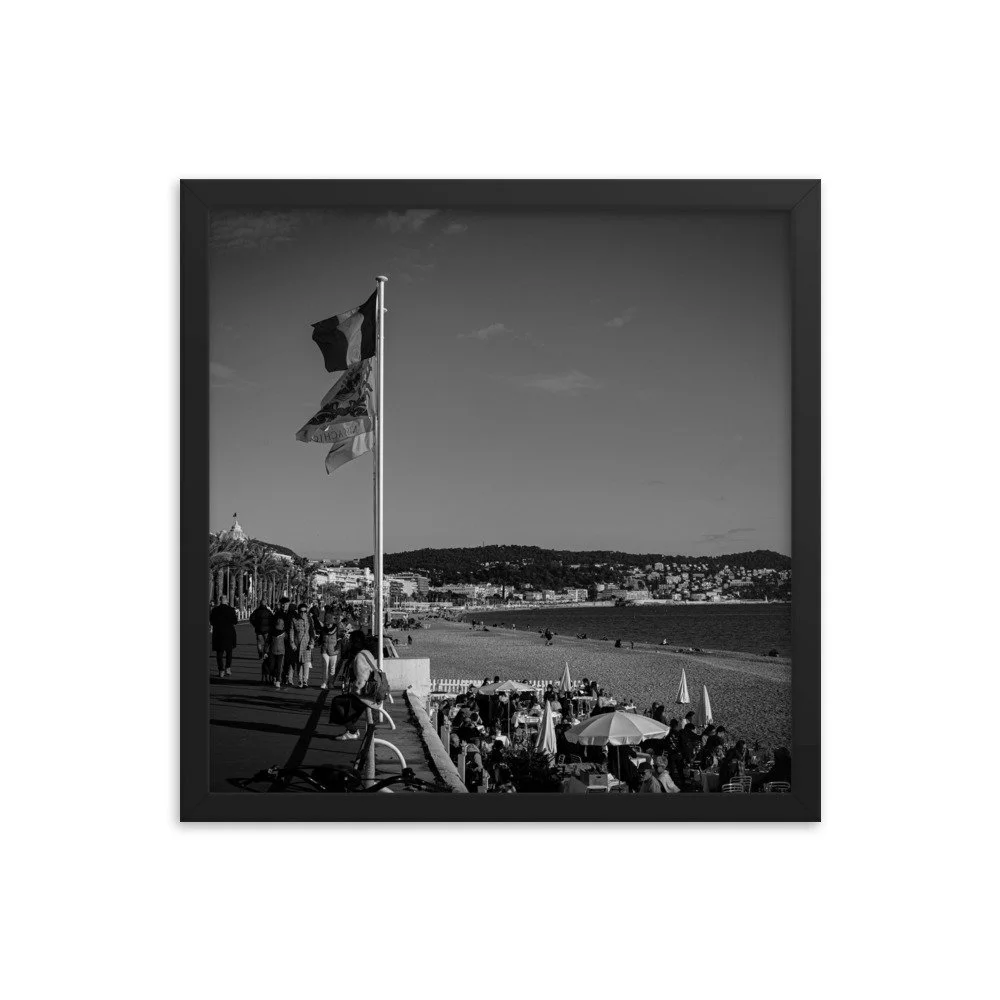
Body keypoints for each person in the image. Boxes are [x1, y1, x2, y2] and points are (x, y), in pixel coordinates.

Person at [328, 630, 378, 741]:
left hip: (365, 694)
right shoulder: (367, 652)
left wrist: (355, 691)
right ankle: (351, 730)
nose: (349, 642)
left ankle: (352, 730)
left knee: (337, 702)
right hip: (371, 693)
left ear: (354, 642)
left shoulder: (359, 656)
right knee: (348, 706)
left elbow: (362, 678)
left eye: (350, 640)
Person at [209, 596, 238, 678]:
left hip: (218, 633)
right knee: (229, 652)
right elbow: (235, 621)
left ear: (220, 600)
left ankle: (221, 670)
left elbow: (211, 621)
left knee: (219, 653)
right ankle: (228, 668)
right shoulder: (231, 610)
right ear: (227, 601)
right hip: (229, 633)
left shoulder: (215, 610)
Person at [287, 603, 315, 688]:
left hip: (307, 643)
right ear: (298, 611)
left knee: (306, 663)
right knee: (299, 663)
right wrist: (292, 644)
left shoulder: (309, 619)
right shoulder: (294, 620)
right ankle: (300, 681)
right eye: (301, 611)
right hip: (297, 644)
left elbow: (312, 632)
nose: (303, 613)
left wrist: (312, 643)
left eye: (305, 611)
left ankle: (305, 680)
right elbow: (291, 632)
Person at [317, 604, 340, 690]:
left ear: (332, 623)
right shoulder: (323, 629)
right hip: (325, 650)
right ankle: (324, 682)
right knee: (325, 667)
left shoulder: (337, 629)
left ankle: (331, 683)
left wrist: (338, 647)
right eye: (326, 624)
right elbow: (320, 639)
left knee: (332, 668)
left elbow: (339, 639)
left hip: (334, 650)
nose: (328, 625)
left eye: (329, 624)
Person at [267, 612, 288, 688]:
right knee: (273, 667)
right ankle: (275, 678)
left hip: (280, 652)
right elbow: (268, 642)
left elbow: (287, 642)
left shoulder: (284, 633)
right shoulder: (272, 633)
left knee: (278, 667)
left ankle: (278, 680)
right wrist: (265, 651)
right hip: (274, 652)